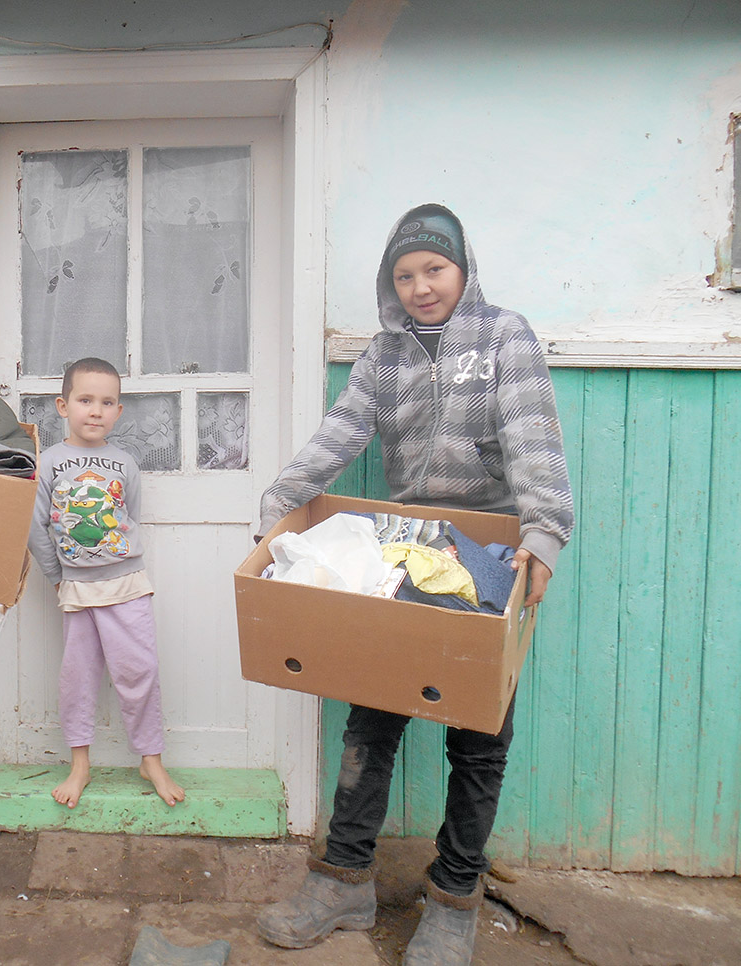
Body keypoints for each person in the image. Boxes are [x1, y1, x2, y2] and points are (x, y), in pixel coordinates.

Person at [252, 204, 574, 965]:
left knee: (479, 741)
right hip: (410, 549)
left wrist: (545, 537)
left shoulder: (504, 337)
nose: (421, 287)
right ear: (388, 284)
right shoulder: (385, 354)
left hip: (492, 559)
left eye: (434, 270)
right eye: (405, 275)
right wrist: (280, 499)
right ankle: (343, 881)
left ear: (463, 269)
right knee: (372, 720)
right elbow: (342, 431)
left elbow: (534, 435)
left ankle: (454, 902)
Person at [27, 358, 186, 809]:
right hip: (76, 589)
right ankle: (80, 763)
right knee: (78, 677)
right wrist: (58, 578)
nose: (95, 411)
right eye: (85, 400)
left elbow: (132, 515)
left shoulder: (125, 463)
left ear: (118, 411)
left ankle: (150, 759)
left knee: (139, 671)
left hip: (127, 584)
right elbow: (36, 528)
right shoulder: (49, 464)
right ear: (63, 405)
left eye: (107, 402)